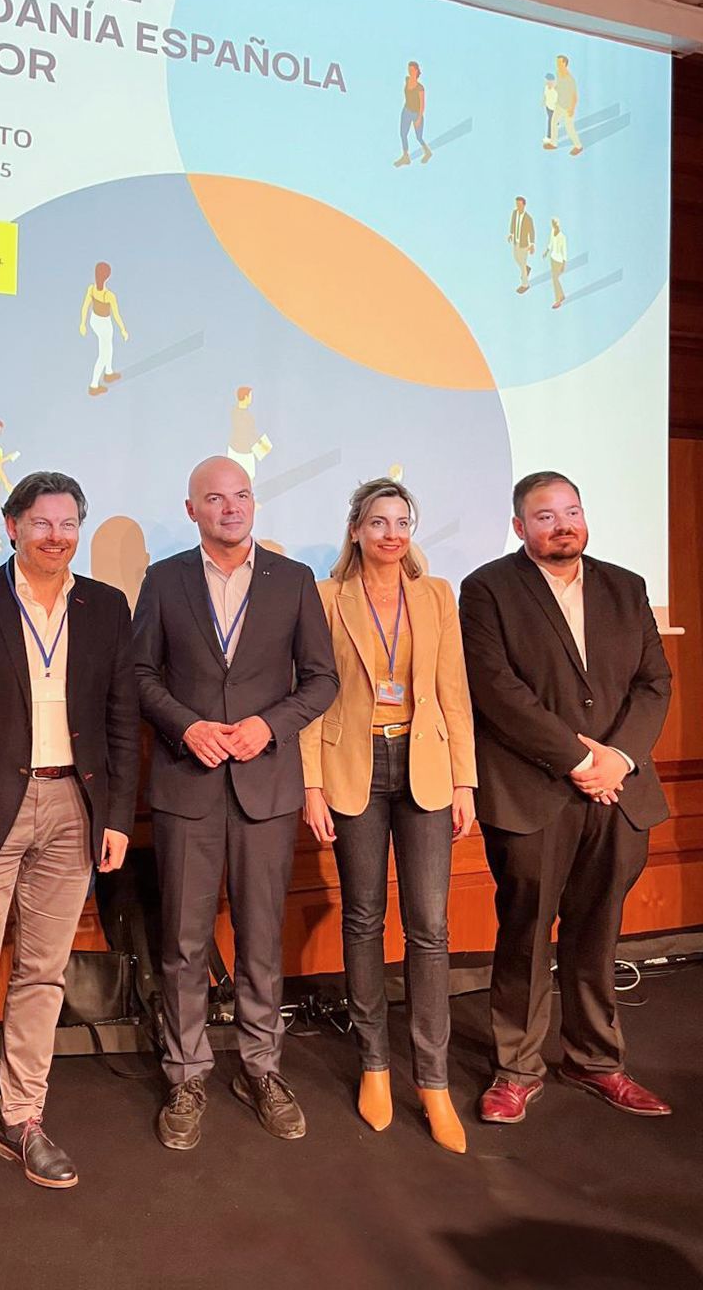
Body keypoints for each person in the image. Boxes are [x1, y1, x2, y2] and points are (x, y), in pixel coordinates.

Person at [0, 471, 139, 1218]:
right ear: (12, 526)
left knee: (43, 976)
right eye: (42, 522)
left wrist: (115, 815)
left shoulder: (105, 605)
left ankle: (21, 1117)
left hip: (74, 807)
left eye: (68, 523)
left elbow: (120, 717)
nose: (56, 536)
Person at [133, 456, 338, 1150]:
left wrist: (270, 726)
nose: (231, 508)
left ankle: (261, 1068)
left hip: (266, 786)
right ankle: (186, 1074)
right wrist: (186, 726)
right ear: (191, 510)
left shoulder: (294, 579)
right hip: (185, 781)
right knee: (183, 942)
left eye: (242, 495)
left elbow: (322, 680)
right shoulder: (163, 580)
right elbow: (139, 674)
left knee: (260, 939)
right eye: (215, 498)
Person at [460, 472, 672, 1125]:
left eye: (571, 511)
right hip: (533, 793)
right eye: (545, 516)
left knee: (598, 930)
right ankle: (517, 1069)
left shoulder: (626, 586)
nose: (562, 525)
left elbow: (654, 682)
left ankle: (595, 1059)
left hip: (619, 792)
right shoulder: (487, 589)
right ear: (519, 527)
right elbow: (496, 690)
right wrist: (579, 760)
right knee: (525, 932)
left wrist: (618, 758)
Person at [300, 479, 476, 1154]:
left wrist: (464, 779)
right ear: (356, 529)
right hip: (354, 767)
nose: (391, 534)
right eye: (378, 522)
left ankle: (433, 1080)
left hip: (425, 764)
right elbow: (310, 695)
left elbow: (454, 690)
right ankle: (375, 1063)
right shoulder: (325, 597)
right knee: (364, 917)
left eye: (402, 522)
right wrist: (311, 783)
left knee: (430, 926)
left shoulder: (436, 595)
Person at [79, 260, 129, 396]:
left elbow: (85, 307)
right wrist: (123, 329)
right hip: (104, 324)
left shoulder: (91, 289)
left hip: (94, 320)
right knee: (103, 354)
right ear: (108, 277)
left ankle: (108, 372)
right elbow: (116, 315)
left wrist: (83, 323)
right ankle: (94, 385)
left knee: (109, 346)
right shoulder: (109, 296)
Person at [226, 386, 273, 479]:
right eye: (250, 396)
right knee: (248, 477)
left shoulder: (234, 411)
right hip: (244, 452)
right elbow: (251, 433)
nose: (251, 399)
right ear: (246, 397)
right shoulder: (246, 416)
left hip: (234, 449)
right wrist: (263, 445)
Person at [394, 61, 431, 167]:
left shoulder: (420, 88)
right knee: (403, 134)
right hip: (406, 111)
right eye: (408, 69)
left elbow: (422, 104)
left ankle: (427, 152)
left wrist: (419, 118)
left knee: (419, 137)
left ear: (416, 71)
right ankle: (405, 157)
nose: (409, 72)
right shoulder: (407, 80)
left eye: (412, 70)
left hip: (416, 113)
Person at [547, 55, 583, 155]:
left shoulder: (570, 79)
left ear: (564, 64)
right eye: (557, 62)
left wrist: (572, 109)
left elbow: (575, 96)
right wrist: (554, 87)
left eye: (559, 63)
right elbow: (559, 86)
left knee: (569, 128)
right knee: (553, 123)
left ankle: (578, 146)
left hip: (567, 107)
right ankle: (553, 143)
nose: (557, 64)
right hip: (559, 105)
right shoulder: (558, 73)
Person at [508, 197, 535, 294]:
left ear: (524, 205)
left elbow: (531, 231)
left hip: (524, 244)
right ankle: (526, 268)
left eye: (519, 205)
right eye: (517, 204)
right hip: (516, 242)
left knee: (522, 264)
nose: (518, 206)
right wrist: (511, 234)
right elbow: (512, 224)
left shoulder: (528, 218)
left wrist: (532, 244)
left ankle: (525, 285)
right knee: (516, 257)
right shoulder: (514, 213)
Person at [544, 218, 568, 309]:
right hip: (552, 259)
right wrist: (546, 252)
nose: (554, 226)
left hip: (559, 261)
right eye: (553, 224)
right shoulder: (552, 232)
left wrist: (564, 264)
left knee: (555, 279)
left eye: (555, 224)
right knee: (555, 279)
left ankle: (558, 300)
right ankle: (561, 295)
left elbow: (564, 252)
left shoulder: (562, 237)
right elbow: (550, 243)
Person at [541, 72, 557, 146]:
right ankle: (556, 123)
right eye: (546, 81)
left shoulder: (556, 89)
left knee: (550, 122)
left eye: (548, 81)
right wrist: (544, 101)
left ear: (552, 81)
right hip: (548, 107)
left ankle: (549, 137)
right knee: (551, 119)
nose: (546, 83)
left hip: (555, 109)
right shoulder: (546, 87)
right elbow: (545, 95)